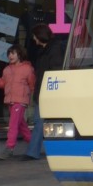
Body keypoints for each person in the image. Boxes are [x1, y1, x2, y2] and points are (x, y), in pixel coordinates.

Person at [24, 24, 65, 161]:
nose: (34, 40)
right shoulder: (45, 50)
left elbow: (55, 72)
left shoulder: (53, 49)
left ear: (40, 36)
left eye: (35, 37)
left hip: (48, 92)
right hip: (43, 92)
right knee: (41, 122)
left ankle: (33, 152)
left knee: (41, 122)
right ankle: (35, 152)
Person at [0, 45, 36, 160]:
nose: (10, 55)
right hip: (10, 101)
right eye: (9, 53)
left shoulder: (27, 69)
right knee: (22, 125)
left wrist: (31, 98)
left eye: (13, 53)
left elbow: (32, 84)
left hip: (20, 101)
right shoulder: (6, 70)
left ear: (19, 54)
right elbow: (3, 84)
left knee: (13, 124)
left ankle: (9, 148)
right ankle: (34, 144)